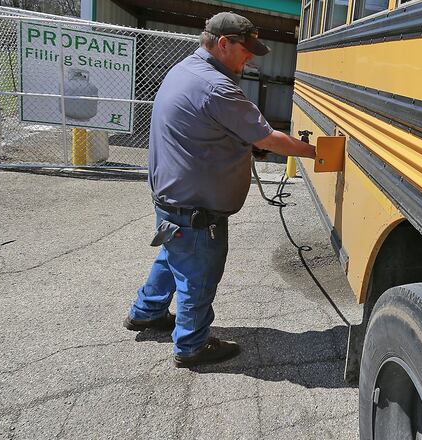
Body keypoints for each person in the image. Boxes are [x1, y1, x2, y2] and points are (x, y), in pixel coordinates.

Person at [123, 12, 315, 368]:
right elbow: (269, 138)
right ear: (223, 44)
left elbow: (207, 126)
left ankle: (146, 312)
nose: (251, 57)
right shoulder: (217, 86)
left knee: (172, 255)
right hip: (196, 209)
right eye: (246, 50)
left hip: (172, 201)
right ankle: (192, 346)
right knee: (198, 274)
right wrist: (316, 151)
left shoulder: (184, 70)